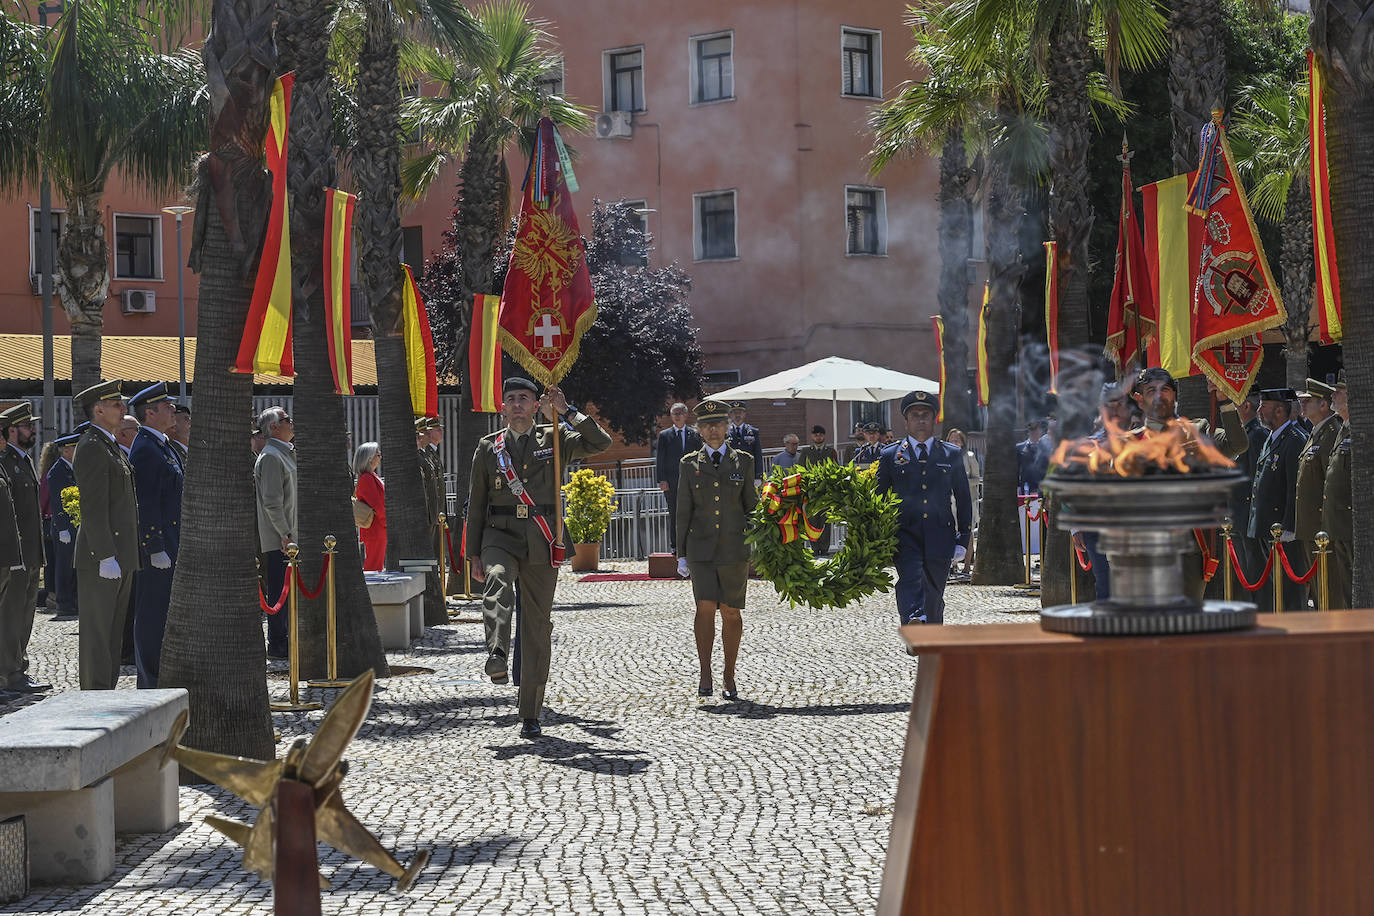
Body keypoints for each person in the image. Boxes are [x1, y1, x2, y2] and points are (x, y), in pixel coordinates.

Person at [467, 378, 611, 738]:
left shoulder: (555, 439)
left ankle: (530, 710)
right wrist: (472, 554)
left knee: (537, 626)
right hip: (498, 535)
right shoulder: (488, 448)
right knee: (498, 581)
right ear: (502, 408)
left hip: (542, 539)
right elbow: (476, 504)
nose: (517, 404)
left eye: (525, 399)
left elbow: (601, 443)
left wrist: (567, 411)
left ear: (536, 406)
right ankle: (497, 653)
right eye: (511, 399)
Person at [674, 399, 757, 699]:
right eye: (707, 425)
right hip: (701, 549)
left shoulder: (744, 461)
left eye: (718, 424)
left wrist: (760, 541)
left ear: (727, 427)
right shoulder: (688, 464)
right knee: (705, 607)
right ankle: (705, 672)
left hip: (734, 548)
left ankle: (729, 674)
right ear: (699, 430)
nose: (713, 430)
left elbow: (752, 506)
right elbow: (682, 510)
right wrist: (680, 552)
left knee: (731, 612)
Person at [876, 391, 972, 625]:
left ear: (934, 419)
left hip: (940, 533)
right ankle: (914, 622)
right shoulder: (890, 455)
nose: (920, 419)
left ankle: (931, 633)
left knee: (935, 588)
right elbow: (878, 498)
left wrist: (963, 538)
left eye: (926, 415)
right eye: (915, 415)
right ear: (905, 421)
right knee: (911, 578)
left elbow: (963, 497)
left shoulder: (951, 453)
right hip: (904, 533)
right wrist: (877, 536)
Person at [72, 380, 138, 690]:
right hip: (103, 556)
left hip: (118, 554)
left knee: (112, 632)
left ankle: (105, 692)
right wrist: (105, 554)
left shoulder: (108, 444)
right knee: (98, 634)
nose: (123, 409)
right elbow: (93, 506)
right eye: (116, 405)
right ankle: (94, 695)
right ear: (99, 410)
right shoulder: (92, 447)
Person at [126, 383, 184, 689]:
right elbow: (145, 502)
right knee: (152, 613)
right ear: (150, 413)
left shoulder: (161, 445)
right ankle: (150, 679)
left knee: (163, 611)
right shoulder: (147, 448)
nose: (173, 409)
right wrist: (155, 546)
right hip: (159, 547)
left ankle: (160, 673)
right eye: (166, 406)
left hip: (172, 541)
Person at [0, 403, 49, 693]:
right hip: (14, 555)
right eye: (28, 426)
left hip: (30, 554)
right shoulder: (6, 460)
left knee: (25, 615)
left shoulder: (24, 460)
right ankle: (9, 673)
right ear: (12, 430)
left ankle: (19, 667)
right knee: (11, 616)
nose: (33, 430)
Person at [1248, 388, 1308, 612]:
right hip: (1268, 527)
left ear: (1280, 410)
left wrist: (1290, 526)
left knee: (1290, 587)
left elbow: (1295, 487)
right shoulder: (1272, 437)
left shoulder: (1293, 440)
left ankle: (1295, 627)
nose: (1259, 410)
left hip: (1282, 529)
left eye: (1265, 406)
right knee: (1276, 585)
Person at [255, 406, 297, 659]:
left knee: (287, 591)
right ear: (273, 427)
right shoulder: (271, 456)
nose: (291, 423)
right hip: (281, 540)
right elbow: (272, 501)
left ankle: (285, 637)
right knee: (279, 592)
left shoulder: (285, 454)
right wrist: (285, 534)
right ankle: (278, 641)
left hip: (290, 536)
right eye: (286, 419)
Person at [1322, 374, 1351, 609]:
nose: (1332, 395)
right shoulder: (1342, 430)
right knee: (1345, 585)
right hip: (1337, 523)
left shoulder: (1356, 430)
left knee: (1354, 584)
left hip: (1350, 523)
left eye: (1338, 392)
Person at [655, 402, 701, 550]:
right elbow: (660, 459)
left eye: (680, 413)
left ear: (686, 415)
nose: (677, 416)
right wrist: (661, 480)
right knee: (674, 513)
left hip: (692, 481)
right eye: (674, 413)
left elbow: (701, 456)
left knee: (694, 512)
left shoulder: (694, 434)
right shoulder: (664, 435)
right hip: (672, 482)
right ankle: (676, 546)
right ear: (671, 416)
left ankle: (694, 543)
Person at [46, 432, 80, 622]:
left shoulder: (72, 468)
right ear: (66, 450)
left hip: (75, 524)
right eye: (74, 448)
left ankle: (73, 601)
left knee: (74, 567)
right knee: (64, 567)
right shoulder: (58, 471)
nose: (76, 451)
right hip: (64, 527)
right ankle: (64, 604)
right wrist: (62, 528)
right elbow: (58, 502)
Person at [943, 428, 981, 577]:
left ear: (962, 442)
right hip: (950, 499)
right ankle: (952, 564)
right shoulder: (944, 457)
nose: (954, 442)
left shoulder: (969, 456)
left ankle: (967, 564)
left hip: (968, 499)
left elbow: (977, 478)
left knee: (968, 531)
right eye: (951, 440)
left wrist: (963, 482)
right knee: (951, 530)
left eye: (957, 440)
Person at [352, 442, 386, 572]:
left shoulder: (371, 476)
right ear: (370, 458)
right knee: (374, 565)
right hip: (376, 528)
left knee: (376, 563)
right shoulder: (367, 478)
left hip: (378, 527)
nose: (380, 457)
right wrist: (386, 522)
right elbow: (377, 505)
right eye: (378, 454)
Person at [37, 439, 59, 612]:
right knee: (54, 561)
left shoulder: (47, 475)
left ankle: (52, 594)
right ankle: (52, 594)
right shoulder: (56, 473)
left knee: (51, 562)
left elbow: (42, 501)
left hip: (48, 521)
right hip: (52, 523)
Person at [726, 401, 764, 488]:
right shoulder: (725, 432)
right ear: (730, 415)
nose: (737, 415)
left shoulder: (753, 432)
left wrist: (758, 476)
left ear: (745, 414)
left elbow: (757, 454)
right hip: (730, 473)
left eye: (740, 412)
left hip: (749, 472)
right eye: (735, 412)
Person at [1016, 420, 1049, 494]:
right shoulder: (1020, 447)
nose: (1034, 433)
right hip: (1026, 485)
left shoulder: (1046, 447)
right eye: (1032, 431)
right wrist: (1017, 485)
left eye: (1036, 430)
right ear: (1028, 432)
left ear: (1040, 431)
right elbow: (1016, 468)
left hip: (1042, 485)